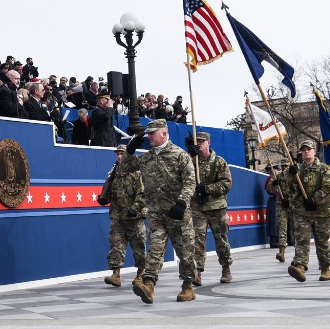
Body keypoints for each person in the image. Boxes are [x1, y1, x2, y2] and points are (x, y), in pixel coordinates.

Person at [124, 119, 196, 304]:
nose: (148, 137)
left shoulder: (180, 155)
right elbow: (125, 168)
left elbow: (190, 181)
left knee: (185, 253)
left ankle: (188, 286)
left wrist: (182, 202)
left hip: (177, 213)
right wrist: (130, 151)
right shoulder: (146, 157)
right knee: (155, 251)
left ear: (163, 133)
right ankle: (148, 285)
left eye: (152, 133)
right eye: (147, 134)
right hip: (156, 214)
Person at [285, 140, 330, 282]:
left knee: (322, 241)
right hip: (302, 212)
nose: (306, 151)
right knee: (301, 240)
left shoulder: (324, 169)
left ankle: (325, 268)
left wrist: (314, 200)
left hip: (321, 212)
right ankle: (300, 266)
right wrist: (290, 173)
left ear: (314, 151)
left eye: (309, 149)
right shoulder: (297, 170)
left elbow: (329, 188)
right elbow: (287, 185)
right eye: (303, 150)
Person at [187, 132, 233, 286]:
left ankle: (226, 269)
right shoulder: (192, 162)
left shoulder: (219, 162)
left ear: (209, 143)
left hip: (216, 207)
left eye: (202, 141)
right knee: (197, 240)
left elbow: (226, 184)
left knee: (221, 239)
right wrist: (188, 155)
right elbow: (184, 179)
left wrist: (207, 188)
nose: (199, 144)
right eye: (197, 142)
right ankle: (197, 272)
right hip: (198, 207)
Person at [98, 145, 146, 287]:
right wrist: (103, 199)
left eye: (122, 154)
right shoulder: (114, 172)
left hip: (134, 217)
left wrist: (135, 207)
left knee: (139, 247)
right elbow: (109, 191)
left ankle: (141, 275)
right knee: (116, 245)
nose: (119, 157)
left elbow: (143, 194)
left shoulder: (137, 172)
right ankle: (116, 274)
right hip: (118, 217)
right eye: (118, 154)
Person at [266, 159, 294, 263]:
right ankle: (281, 252)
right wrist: (274, 184)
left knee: (296, 230)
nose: (284, 168)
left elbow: (298, 189)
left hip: (293, 205)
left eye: (286, 166)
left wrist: (290, 200)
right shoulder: (278, 177)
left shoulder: (294, 176)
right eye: (282, 167)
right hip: (282, 205)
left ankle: (299, 254)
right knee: (282, 229)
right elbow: (269, 189)